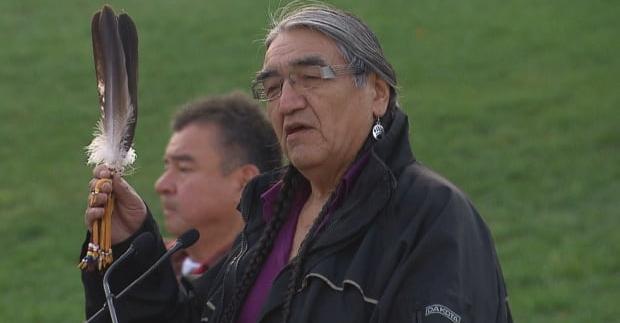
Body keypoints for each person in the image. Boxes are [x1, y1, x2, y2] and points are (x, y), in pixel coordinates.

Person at [82, 4, 513, 323]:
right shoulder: (267, 221)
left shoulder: (432, 217)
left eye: (311, 77)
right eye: (272, 88)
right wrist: (129, 248)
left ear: (377, 93)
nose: (287, 103)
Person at [155, 92, 282, 279]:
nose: (161, 185)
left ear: (245, 182)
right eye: (167, 167)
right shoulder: (150, 268)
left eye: (183, 168)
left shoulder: (274, 279)